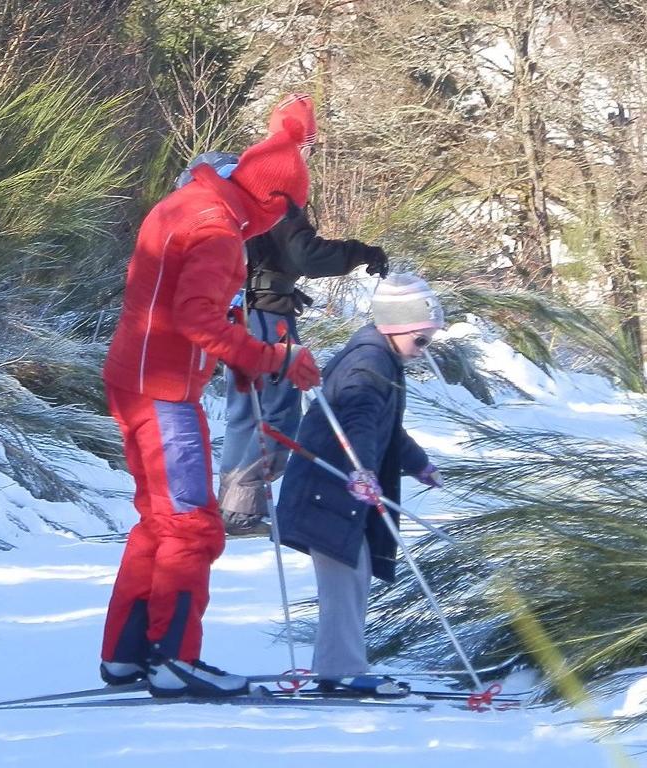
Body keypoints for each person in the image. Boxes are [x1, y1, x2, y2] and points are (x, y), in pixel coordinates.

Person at [99, 95, 323, 698]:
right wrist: (271, 357)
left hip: (141, 380)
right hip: (163, 394)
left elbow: (192, 314)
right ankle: (174, 661)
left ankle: (127, 654)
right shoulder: (217, 229)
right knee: (194, 526)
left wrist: (239, 366)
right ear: (271, 201)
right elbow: (196, 318)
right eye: (289, 213)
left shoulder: (190, 202)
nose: (285, 226)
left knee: (160, 520)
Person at [187, 144, 389, 536]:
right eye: (308, 146)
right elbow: (307, 256)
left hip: (233, 314)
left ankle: (229, 507)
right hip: (267, 315)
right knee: (280, 413)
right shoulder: (274, 193)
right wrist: (362, 253)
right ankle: (242, 508)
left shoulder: (233, 189)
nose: (309, 155)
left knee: (245, 412)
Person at [274, 272, 445, 696]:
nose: (422, 352)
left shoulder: (381, 358)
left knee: (355, 574)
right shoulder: (368, 363)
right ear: (394, 326)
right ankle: (340, 671)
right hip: (326, 490)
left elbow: (388, 429)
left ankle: (339, 666)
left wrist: (418, 463)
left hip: (337, 494)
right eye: (420, 341)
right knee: (345, 580)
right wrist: (361, 470)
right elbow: (359, 421)